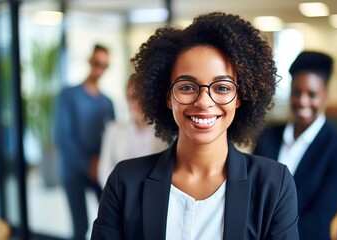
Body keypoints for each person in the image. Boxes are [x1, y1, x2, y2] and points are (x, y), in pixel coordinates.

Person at [91, 12, 299, 239]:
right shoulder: (125, 182)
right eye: (187, 87)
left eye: (221, 87)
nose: (204, 101)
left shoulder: (273, 185)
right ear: (168, 96)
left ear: (240, 97)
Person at [252, 51, 337, 240]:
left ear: (325, 96)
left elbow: (321, 215)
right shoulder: (268, 136)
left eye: (312, 94)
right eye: (296, 92)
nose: (302, 101)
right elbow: (252, 191)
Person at [54, 44, 115, 240]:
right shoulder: (68, 95)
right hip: (74, 170)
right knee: (80, 226)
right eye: (97, 63)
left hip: (99, 168)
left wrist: (101, 164)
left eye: (105, 65)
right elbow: (63, 136)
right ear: (90, 62)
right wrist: (88, 164)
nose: (100, 69)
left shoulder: (107, 102)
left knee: (109, 221)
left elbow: (111, 137)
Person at [97, 73, 168, 188]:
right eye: (133, 97)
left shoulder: (165, 132)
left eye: (143, 95)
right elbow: (104, 172)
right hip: (121, 198)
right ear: (127, 100)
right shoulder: (113, 130)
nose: (139, 103)